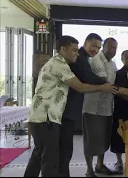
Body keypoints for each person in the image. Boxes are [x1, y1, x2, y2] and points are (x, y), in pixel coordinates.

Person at [24, 36, 118, 177]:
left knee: (40, 154)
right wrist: (103, 86)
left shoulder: (60, 62)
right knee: (50, 159)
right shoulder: (59, 64)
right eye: (74, 50)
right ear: (63, 49)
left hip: (44, 117)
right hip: (47, 117)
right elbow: (79, 86)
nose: (77, 53)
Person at [82, 38, 128, 177]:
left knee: (103, 139)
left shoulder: (112, 64)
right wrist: (127, 92)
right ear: (104, 47)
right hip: (93, 108)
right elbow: (106, 84)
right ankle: (89, 170)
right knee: (90, 141)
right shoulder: (96, 60)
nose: (112, 51)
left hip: (107, 108)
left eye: (115, 48)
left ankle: (100, 166)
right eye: (110, 48)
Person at [59, 33, 107, 177]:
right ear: (85, 44)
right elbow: (87, 79)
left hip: (68, 109)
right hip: (64, 110)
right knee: (63, 150)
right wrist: (106, 83)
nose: (95, 50)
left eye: (98, 47)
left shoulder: (83, 58)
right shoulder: (79, 59)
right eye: (93, 45)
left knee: (64, 149)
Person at [110, 50, 128, 174]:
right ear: (122, 59)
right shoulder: (118, 74)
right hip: (120, 109)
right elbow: (117, 91)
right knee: (118, 137)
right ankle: (119, 162)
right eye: (127, 58)